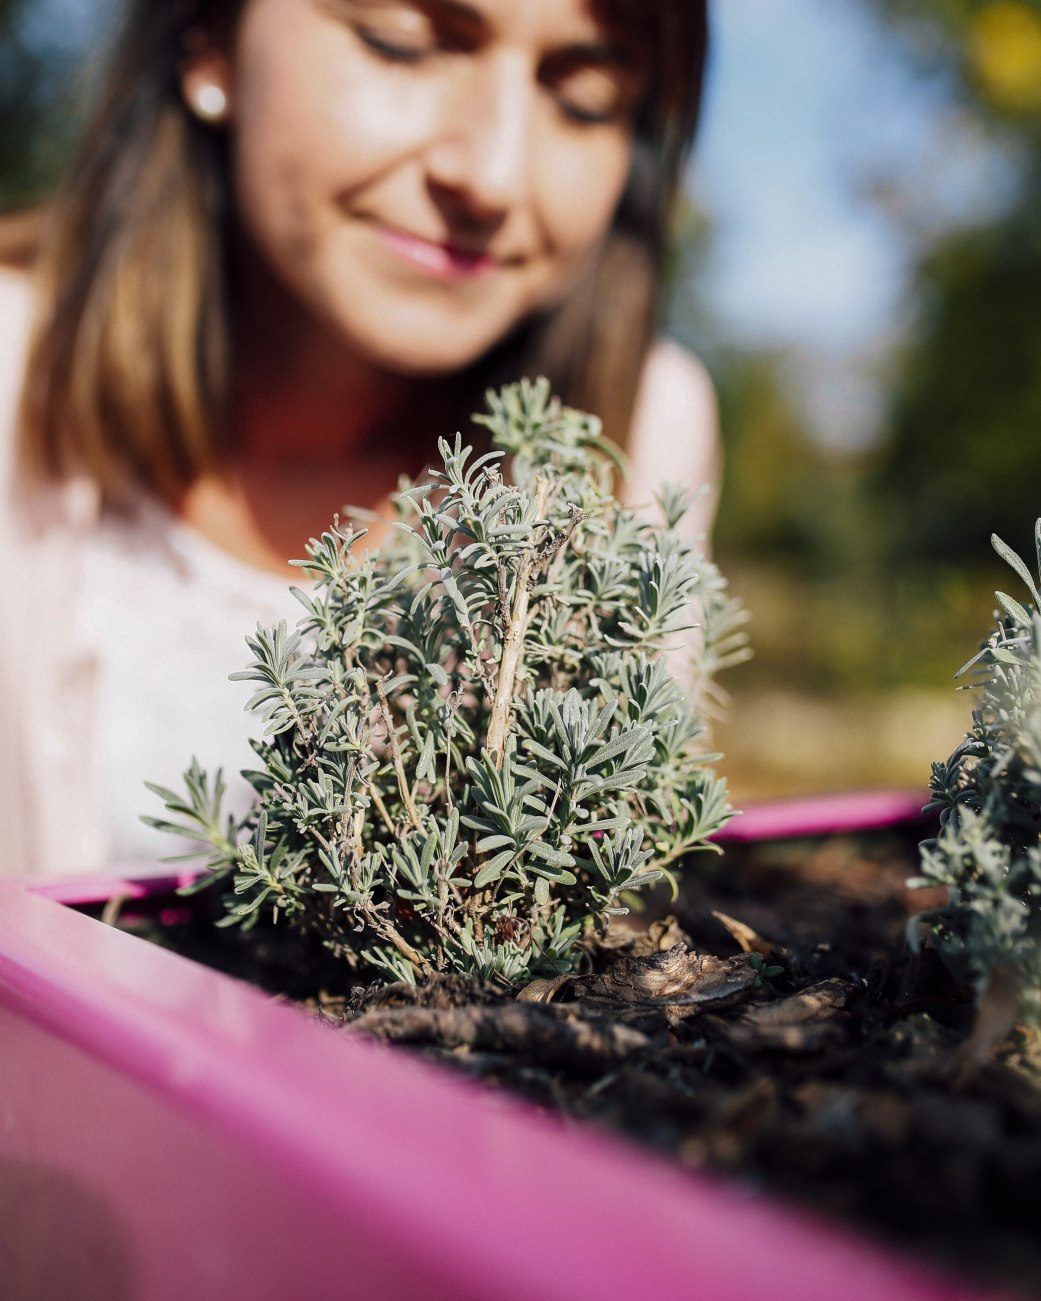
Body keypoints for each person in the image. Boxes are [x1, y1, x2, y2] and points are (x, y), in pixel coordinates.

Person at [0, 0, 719, 877]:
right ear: (208, 42)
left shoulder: (638, 432)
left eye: (584, 97)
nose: (491, 174)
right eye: (402, 45)